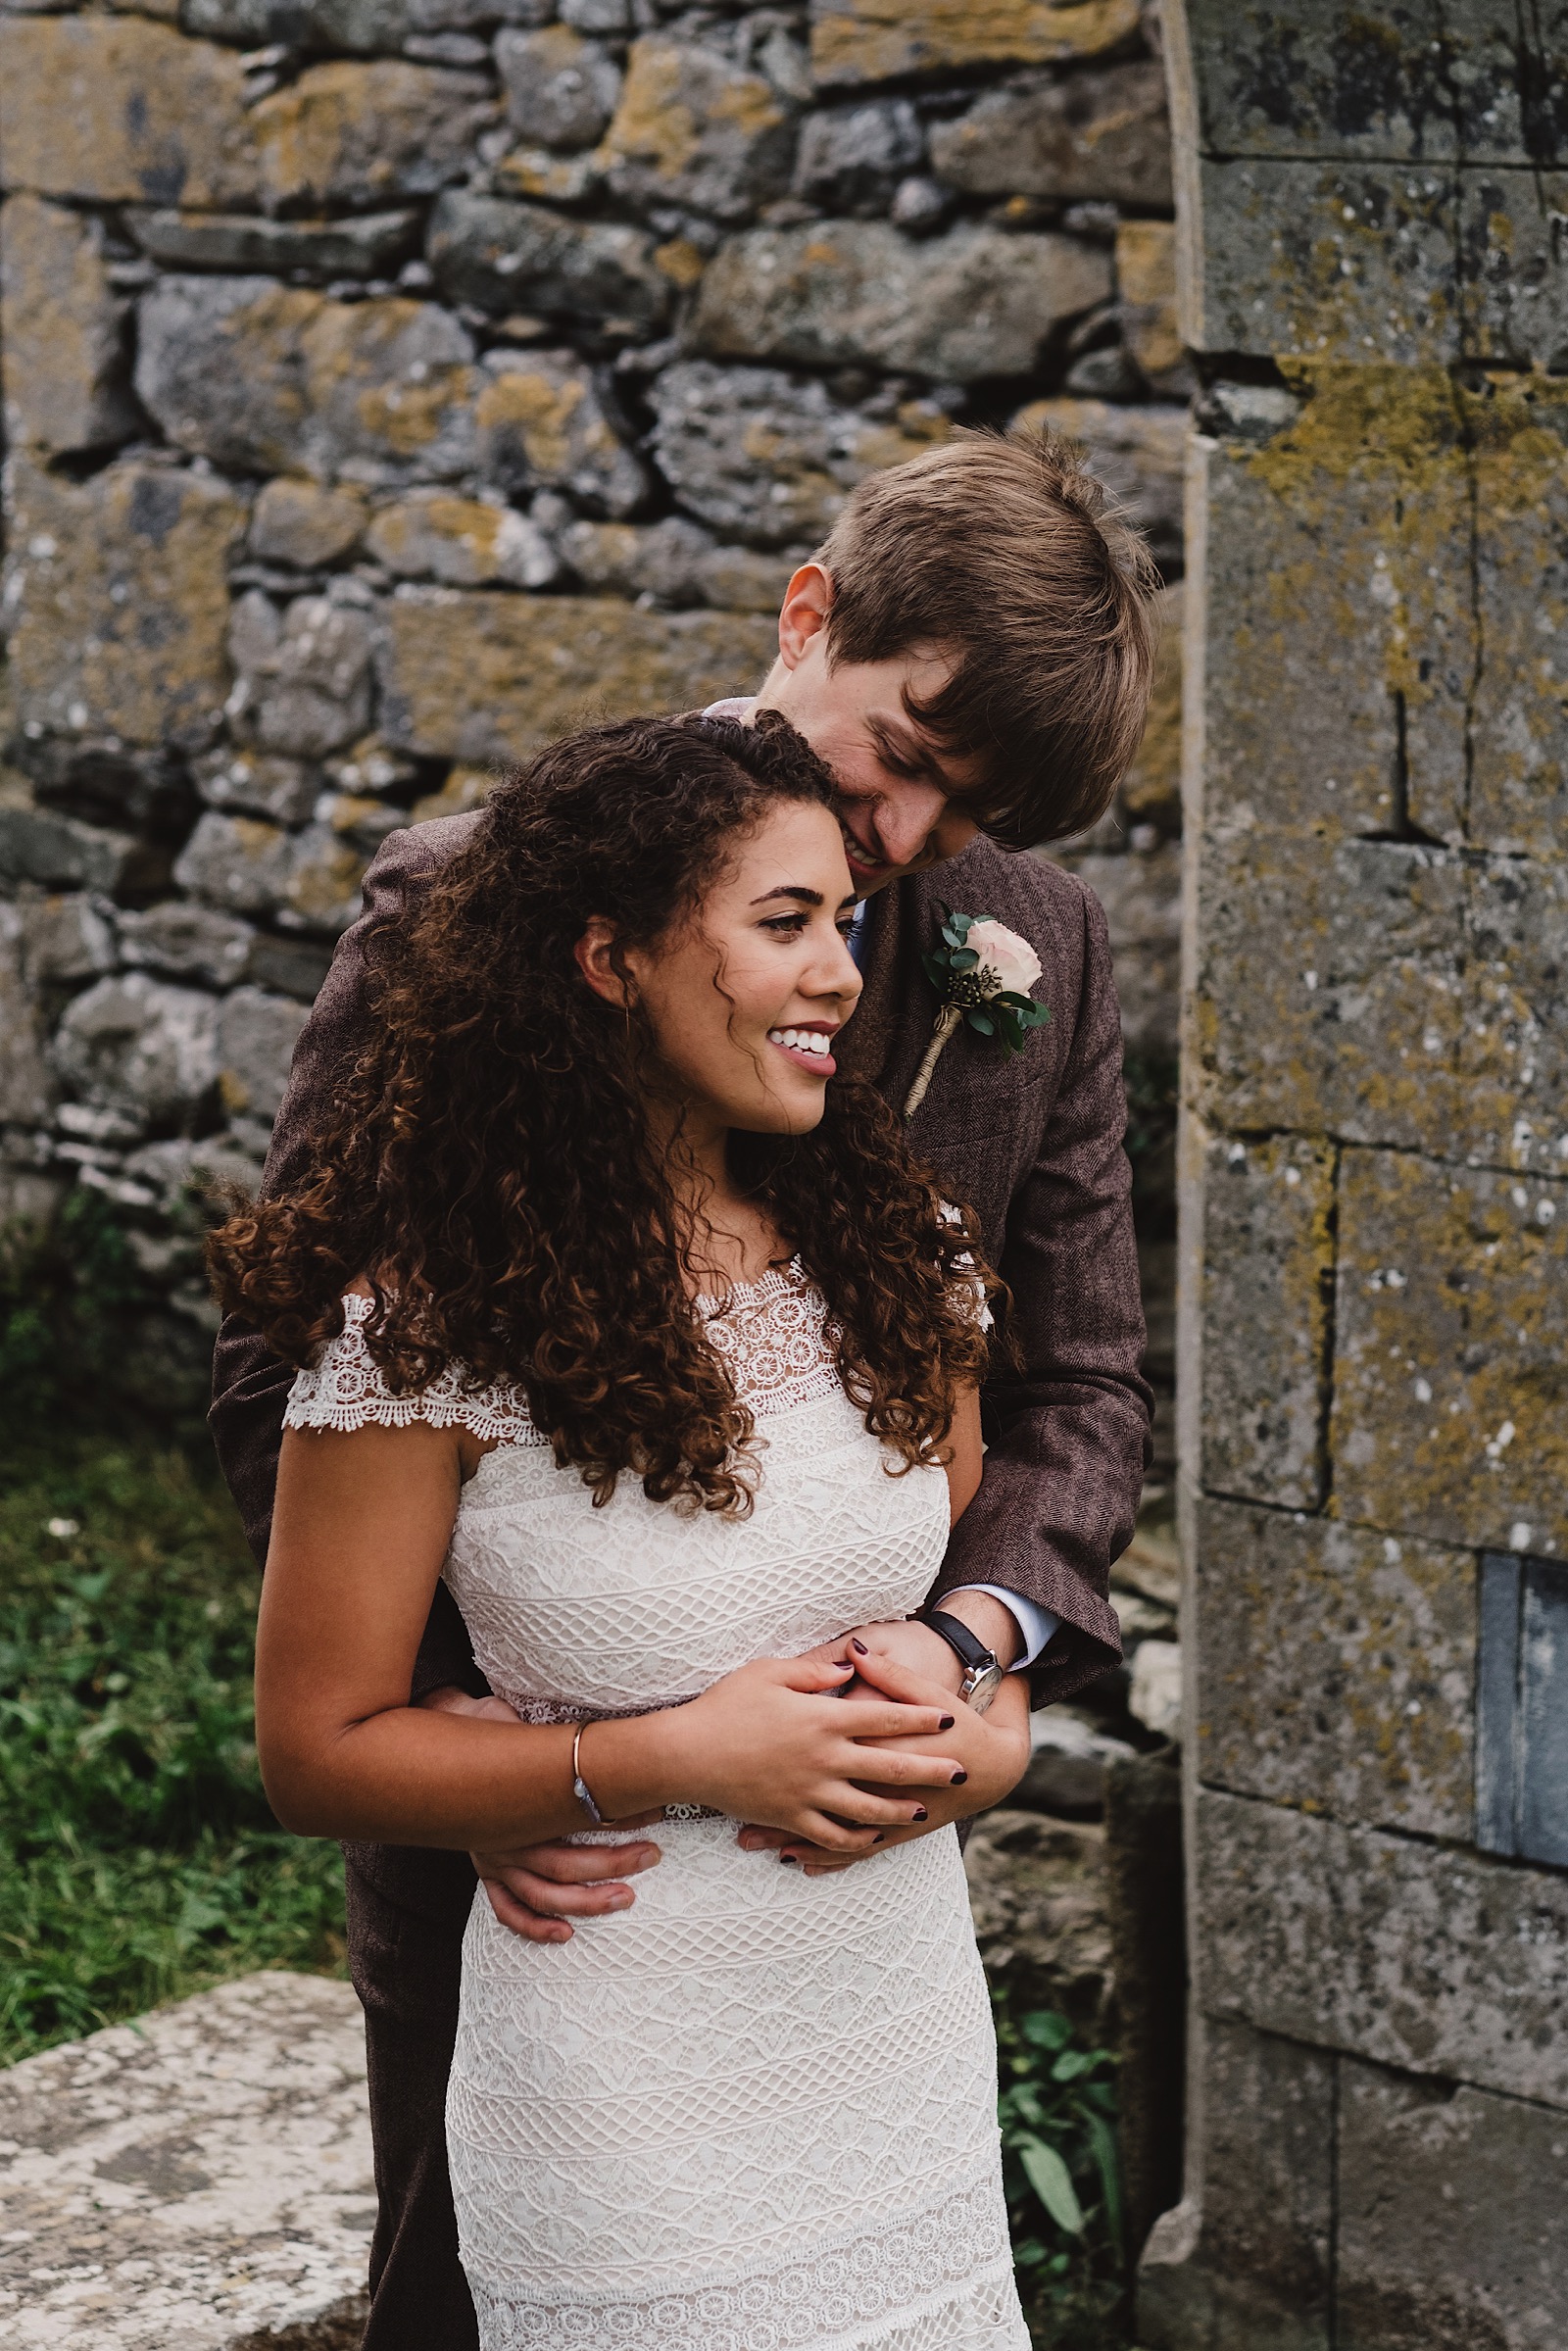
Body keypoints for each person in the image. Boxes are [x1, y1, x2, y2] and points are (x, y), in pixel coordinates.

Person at [210, 427, 1158, 2344]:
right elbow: (279, 1386)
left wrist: (968, 1655)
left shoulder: (1034, 949)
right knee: (465, 2296)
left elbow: (1081, 1397)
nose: (904, 848)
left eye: (960, 822)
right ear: (808, 613)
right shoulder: (467, 896)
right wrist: (495, 1755)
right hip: (545, 1879)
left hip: (858, 1874)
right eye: (901, 758)